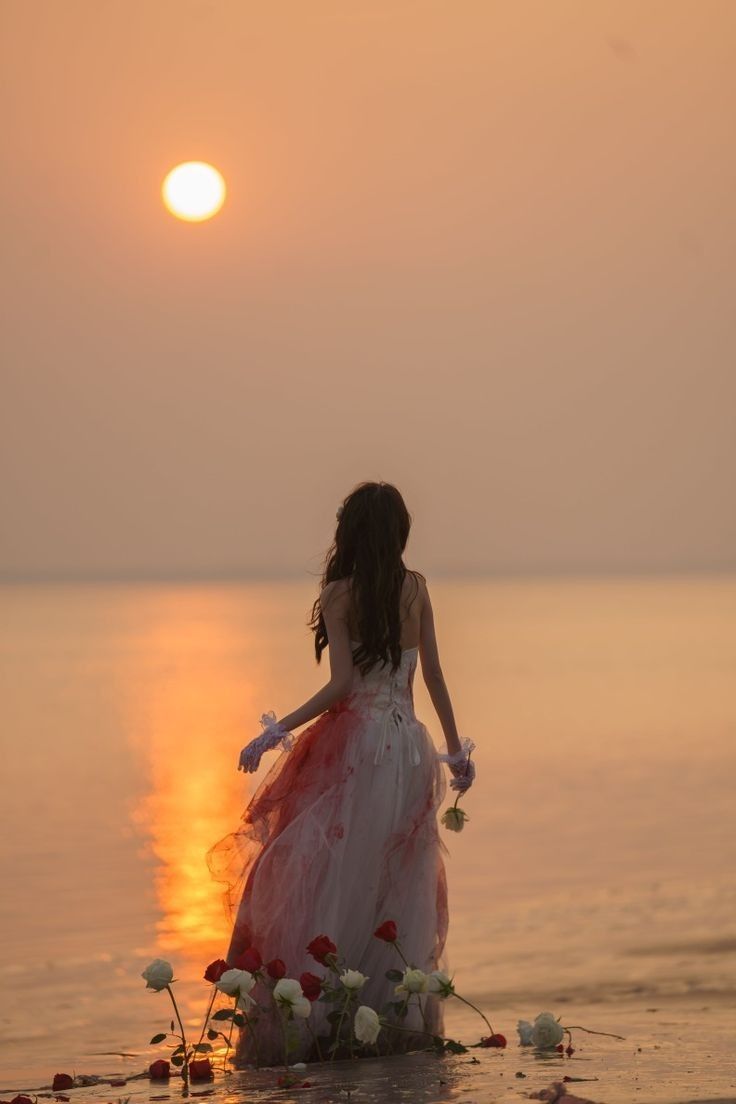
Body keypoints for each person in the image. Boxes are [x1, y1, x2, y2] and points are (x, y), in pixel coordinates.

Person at [205, 480, 475, 1067]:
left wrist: (277, 731)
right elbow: (433, 676)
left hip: (358, 746)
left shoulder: (340, 593)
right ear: (399, 530)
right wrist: (455, 754)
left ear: (347, 532)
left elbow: (343, 686)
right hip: (409, 748)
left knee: (330, 877)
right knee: (394, 882)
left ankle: (325, 1017)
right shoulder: (417, 588)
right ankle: (386, 1019)